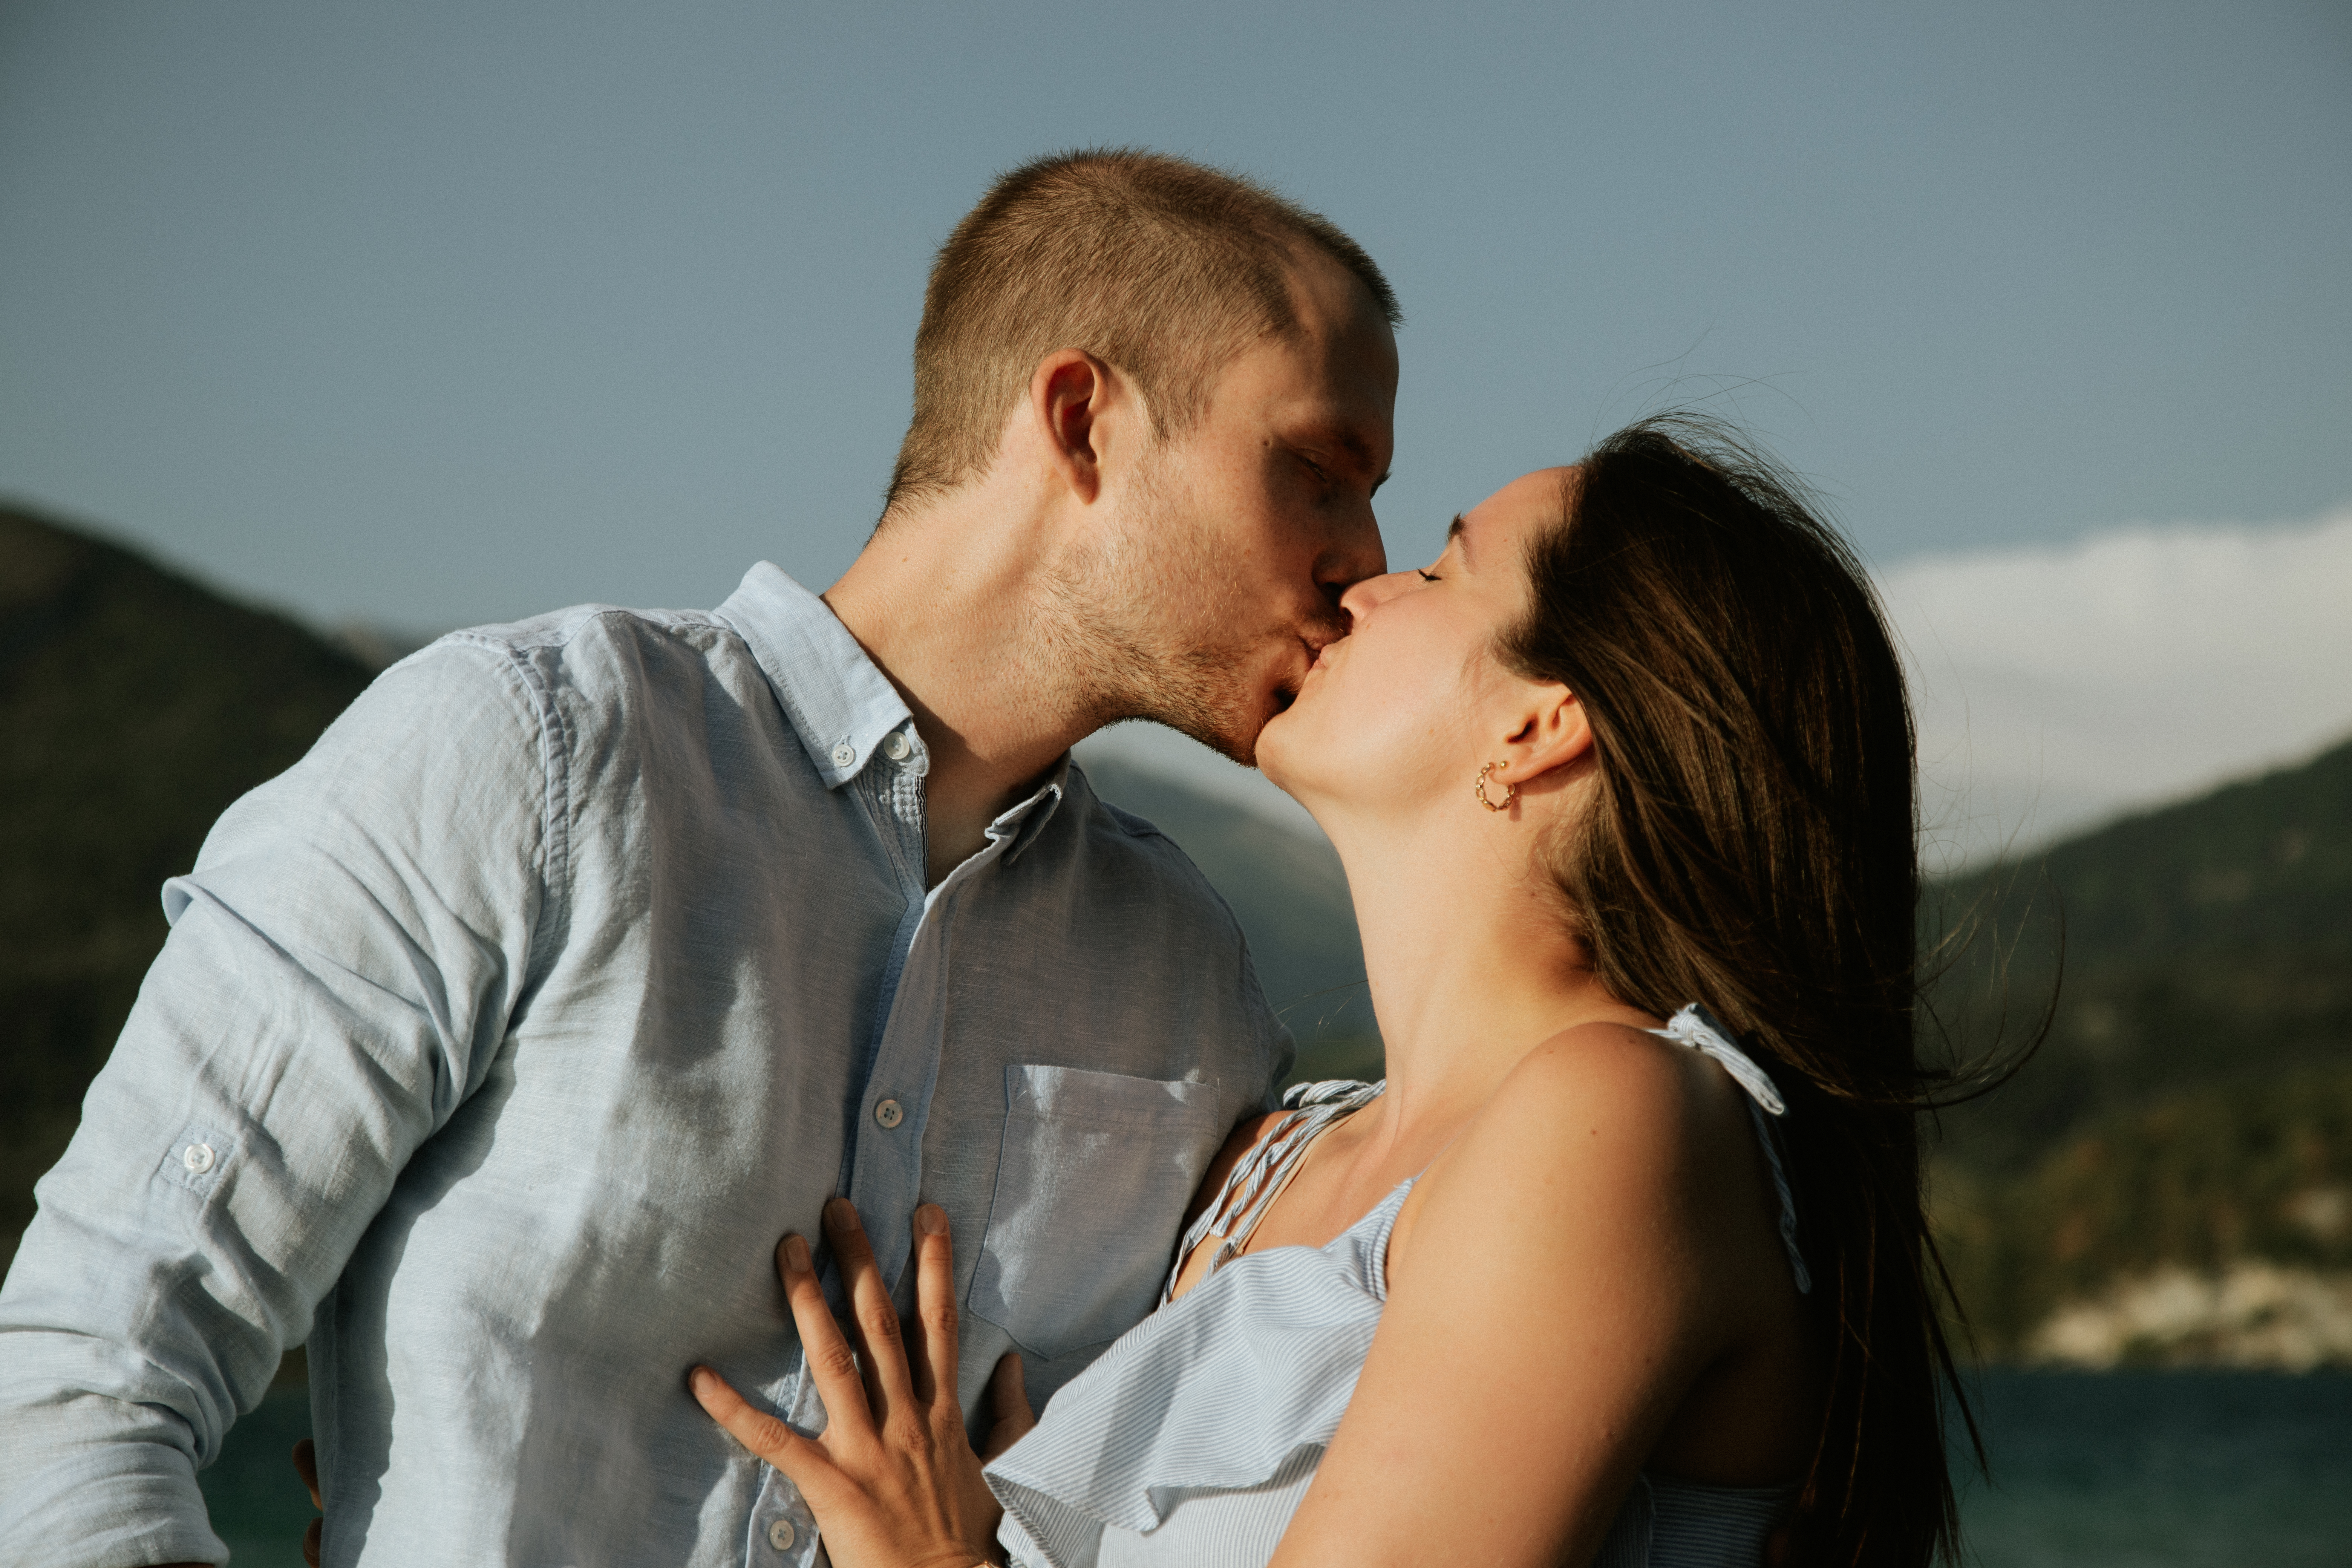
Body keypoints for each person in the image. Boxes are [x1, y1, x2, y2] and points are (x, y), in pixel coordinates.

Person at [0, 149, 1400, 1568]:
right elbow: (82, 1380)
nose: (1367, 554)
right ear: (1083, 420)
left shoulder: (1196, 990)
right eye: (1321, 472)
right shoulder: (527, 755)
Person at [694, 418, 1973, 1568]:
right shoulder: (1265, 1154)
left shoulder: (1620, 1118)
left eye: (1440, 570)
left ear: (1539, 726)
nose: (1362, 583)